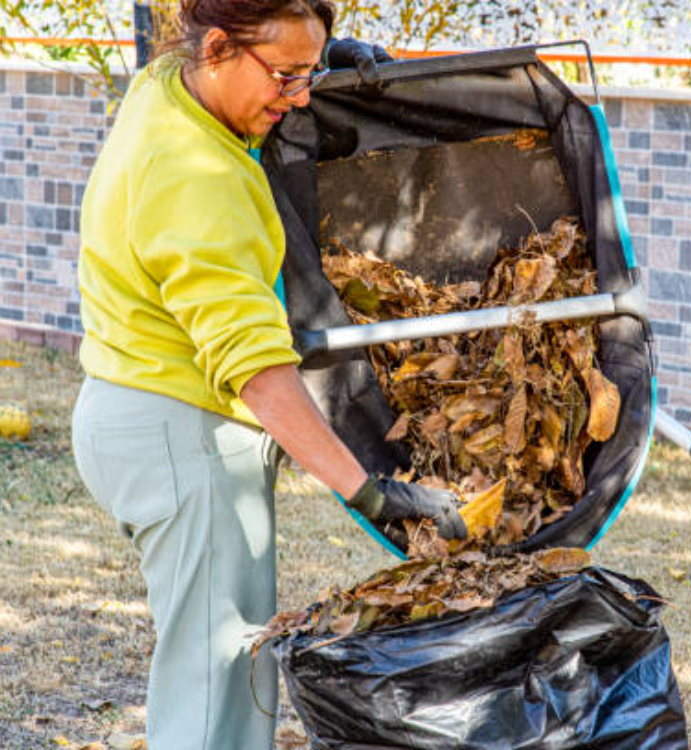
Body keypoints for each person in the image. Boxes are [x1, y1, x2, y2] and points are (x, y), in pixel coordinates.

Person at [70, 1, 466, 748]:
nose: (299, 99)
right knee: (219, 697)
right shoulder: (196, 182)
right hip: (185, 445)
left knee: (207, 675)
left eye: (307, 75)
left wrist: (316, 68)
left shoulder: (168, 84)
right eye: (285, 78)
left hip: (127, 409)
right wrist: (369, 491)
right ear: (217, 46)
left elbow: (251, 85)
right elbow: (257, 372)